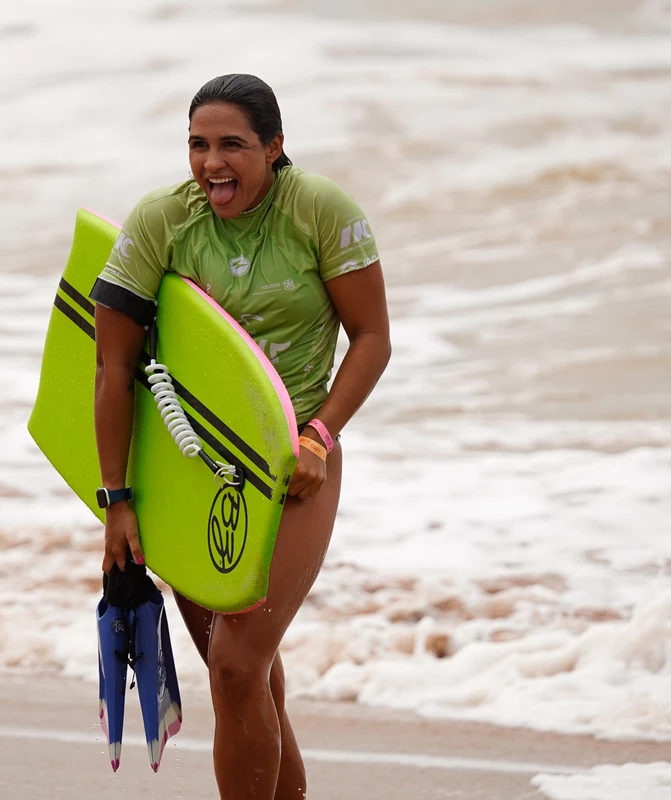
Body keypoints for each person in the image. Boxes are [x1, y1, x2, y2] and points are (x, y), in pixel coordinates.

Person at [90, 73, 391, 800]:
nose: (211, 163)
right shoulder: (164, 220)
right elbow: (113, 364)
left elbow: (373, 338)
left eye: (232, 145)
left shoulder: (319, 211)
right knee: (244, 676)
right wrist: (117, 501)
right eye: (198, 145)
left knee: (234, 666)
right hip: (190, 465)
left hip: (295, 463)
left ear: (275, 147)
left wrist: (320, 436)